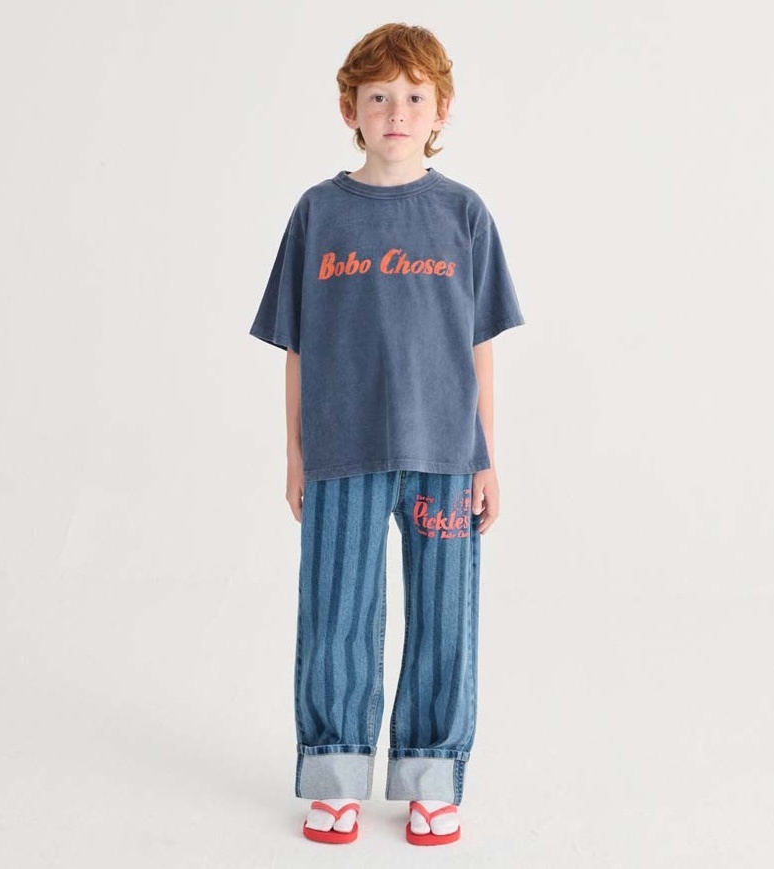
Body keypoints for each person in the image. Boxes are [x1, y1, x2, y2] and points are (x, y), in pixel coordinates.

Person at [248, 22, 524, 845]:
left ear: (440, 109)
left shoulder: (462, 214)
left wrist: (485, 456)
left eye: (412, 96)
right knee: (335, 613)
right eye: (377, 97)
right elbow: (296, 346)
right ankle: (333, 774)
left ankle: (430, 776)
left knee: (445, 616)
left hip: (445, 454)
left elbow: (478, 344)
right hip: (341, 452)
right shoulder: (319, 213)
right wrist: (294, 453)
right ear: (350, 111)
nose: (395, 112)